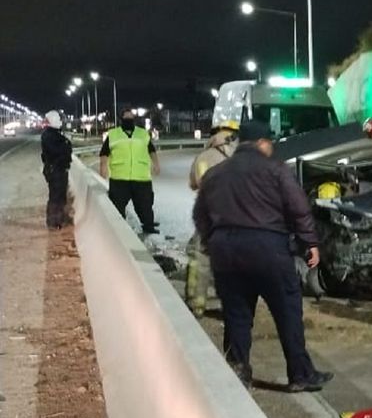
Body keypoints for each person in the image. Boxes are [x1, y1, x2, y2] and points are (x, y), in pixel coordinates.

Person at [193, 118, 333, 390]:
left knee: (236, 313)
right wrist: (310, 243)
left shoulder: (216, 173)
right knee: (288, 311)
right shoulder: (276, 170)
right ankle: (300, 375)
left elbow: (200, 215)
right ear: (263, 143)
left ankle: (237, 371)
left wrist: (213, 243)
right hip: (267, 249)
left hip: (226, 251)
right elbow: (298, 208)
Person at [186, 123, 240, 316]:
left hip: (208, 215)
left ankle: (197, 302)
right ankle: (231, 305)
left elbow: (193, 184)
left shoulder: (204, 157)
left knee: (200, 258)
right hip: (236, 216)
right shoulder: (241, 156)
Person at [99, 107, 160, 234]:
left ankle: (149, 228)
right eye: (126, 118)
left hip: (141, 178)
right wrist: (103, 167)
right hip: (119, 179)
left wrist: (156, 164)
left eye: (131, 118)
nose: (129, 120)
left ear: (134, 120)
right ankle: (119, 232)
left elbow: (151, 150)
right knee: (117, 208)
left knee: (145, 206)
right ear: (121, 120)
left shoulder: (142, 134)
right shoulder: (113, 134)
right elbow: (104, 153)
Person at [40, 110, 72, 229]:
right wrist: (65, 145)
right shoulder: (49, 135)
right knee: (55, 197)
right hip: (55, 170)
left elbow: (65, 148)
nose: (61, 121)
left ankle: (61, 218)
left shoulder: (54, 134)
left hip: (59, 169)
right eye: (59, 119)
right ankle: (53, 222)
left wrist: (66, 144)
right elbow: (57, 151)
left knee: (60, 196)